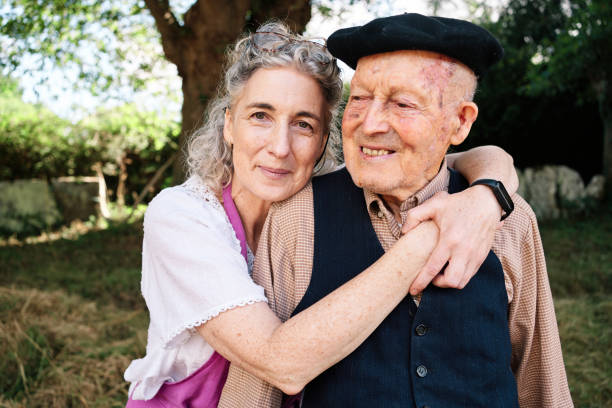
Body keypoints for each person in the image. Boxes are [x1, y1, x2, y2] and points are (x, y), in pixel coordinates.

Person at [124, 21, 519, 407]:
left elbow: (437, 157)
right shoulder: (181, 217)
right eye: (260, 116)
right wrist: (436, 232)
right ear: (229, 124)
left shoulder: (322, 201)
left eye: (303, 124)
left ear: (324, 140)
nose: (280, 147)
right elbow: (281, 365)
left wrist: (487, 194)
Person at [219, 14, 573, 408]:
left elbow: (542, 382)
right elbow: (255, 388)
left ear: (460, 122)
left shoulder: (510, 221)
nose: (369, 124)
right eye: (360, 98)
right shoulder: (298, 216)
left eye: (402, 104)